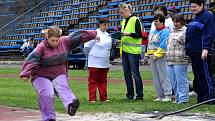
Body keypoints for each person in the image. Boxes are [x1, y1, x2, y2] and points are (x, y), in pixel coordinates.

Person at [20, 26, 99, 121]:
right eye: (52, 40)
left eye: (57, 40)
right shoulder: (41, 47)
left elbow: (78, 36)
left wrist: (93, 34)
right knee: (47, 93)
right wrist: (25, 73)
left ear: (60, 38)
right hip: (41, 75)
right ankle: (49, 118)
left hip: (58, 72)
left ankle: (71, 105)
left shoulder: (65, 41)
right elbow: (32, 59)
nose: (55, 43)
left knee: (62, 87)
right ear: (47, 38)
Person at [185, 0, 215, 103]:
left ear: (201, 5)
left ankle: (209, 98)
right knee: (197, 76)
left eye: (195, 6)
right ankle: (201, 97)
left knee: (205, 76)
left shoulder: (207, 16)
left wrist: (206, 48)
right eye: (191, 7)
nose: (192, 9)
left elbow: (209, 33)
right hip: (194, 52)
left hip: (202, 52)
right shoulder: (195, 18)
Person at [118, 3, 144, 100]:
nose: (121, 15)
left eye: (122, 12)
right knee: (127, 74)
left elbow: (139, 34)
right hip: (125, 51)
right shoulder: (123, 21)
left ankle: (139, 95)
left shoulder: (135, 20)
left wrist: (128, 34)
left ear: (127, 10)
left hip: (133, 51)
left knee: (135, 74)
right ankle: (130, 94)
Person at [84, 18, 112, 103]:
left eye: (107, 25)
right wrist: (90, 57)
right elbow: (87, 47)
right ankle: (92, 98)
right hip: (94, 61)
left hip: (104, 61)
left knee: (103, 80)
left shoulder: (108, 35)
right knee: (93, 80)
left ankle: (103, 97)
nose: (106, 27)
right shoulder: (93, 34)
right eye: (104, 25)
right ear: (99, 24)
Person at [145, 14, 172, 102]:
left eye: (157, 21)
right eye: (154, 21)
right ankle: (160, 95)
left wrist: (157, 55)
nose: (155, 23)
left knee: (163, 75)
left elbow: (164, 44)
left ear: (162, 22)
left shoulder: (165, 32)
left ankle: (168, 94)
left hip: (161, 56)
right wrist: (146, 55)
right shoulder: (153, 32)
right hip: (152, 56)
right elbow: (149, 44)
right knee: (155, 76)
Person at [166, 14, 189, 104]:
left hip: (180, 60)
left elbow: (188, 45)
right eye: (174, 22)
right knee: (173, 81)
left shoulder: (185, 31)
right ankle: (178, 98)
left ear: (182, 22)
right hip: (170, 59)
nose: (175, 24)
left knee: (181, 81)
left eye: (177, 22)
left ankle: (183, 100)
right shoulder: (172, 31)